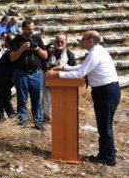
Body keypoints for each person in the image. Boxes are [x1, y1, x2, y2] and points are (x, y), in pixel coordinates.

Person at [45, 31, 120, 166]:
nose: (81, 41)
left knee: (105, 125)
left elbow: (80, 73)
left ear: (90, 41)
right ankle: (104, 154)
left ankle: (108, 157)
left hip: (106, 91)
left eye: (83, 39)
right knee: (103, 124)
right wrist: (63, 68)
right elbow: (82, 68)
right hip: (105, 91)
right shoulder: (96, 52)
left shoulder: (95, 53)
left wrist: (57, 75)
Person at [9, 18, 48, 130]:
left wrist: (37, 49)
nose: (31, 31)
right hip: (21, 74)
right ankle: (22, 122)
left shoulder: (37, 39)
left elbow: (45, 56)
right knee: (22, 99)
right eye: (28, 29)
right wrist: (21, 49)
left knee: (37, 100)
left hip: (36, 74)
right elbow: (12, 58)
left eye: (32, 29)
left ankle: (38, 122)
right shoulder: (16, 40)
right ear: (23, 29)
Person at [42, 33, 76, 121]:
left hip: (63, 83)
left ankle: (61, 118)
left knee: (62, 102)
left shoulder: (70, 55)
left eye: (62, 41)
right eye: (58, 41)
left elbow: (73, 69)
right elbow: (43, 65)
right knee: (46, 101)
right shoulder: (49, 53)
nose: (59, 43)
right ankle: (47, 118)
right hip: (49, 82)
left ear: (66, 42)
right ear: (54, 42)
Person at [0, 34, 16, 122]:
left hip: (6, 79)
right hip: (1, 79)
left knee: (5, 100)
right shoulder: (9, 52)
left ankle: (12, 116)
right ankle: (0, 117)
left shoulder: (12, 53)